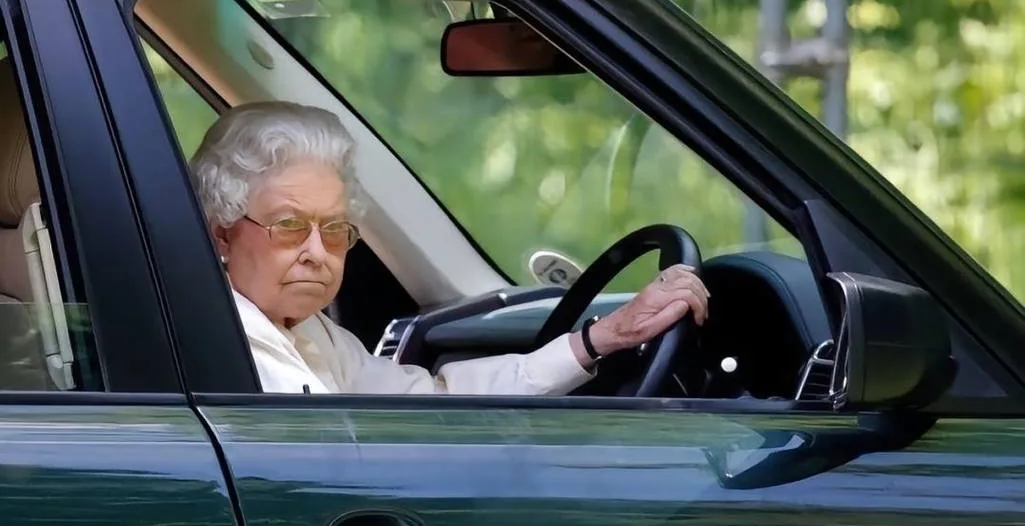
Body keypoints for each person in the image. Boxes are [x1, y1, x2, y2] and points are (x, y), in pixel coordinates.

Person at [190, 101, 709, 395]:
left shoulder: (309, 331)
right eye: (288, 225)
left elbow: (433, 401)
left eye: (333, 229)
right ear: (221, 233)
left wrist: (601, 338)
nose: (316, 251)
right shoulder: (224, 345)